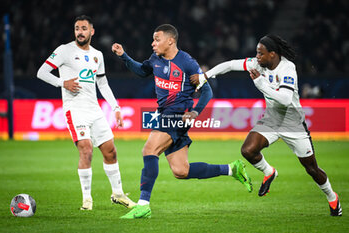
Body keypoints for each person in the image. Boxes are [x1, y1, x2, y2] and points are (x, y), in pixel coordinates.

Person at [112, 24, 253, 219]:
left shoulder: (187, 63)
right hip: (166, 115)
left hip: (178, 115)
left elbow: (207, 91)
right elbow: (142, 71)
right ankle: (231, 169)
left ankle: (143, 204)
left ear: (170, 40)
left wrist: (195, 112)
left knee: (149, 150)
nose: (153, 43)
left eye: (157, 39)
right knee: (181, 170)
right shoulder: (155, 59)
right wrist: (124, 56)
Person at [197, 34, 342, 216]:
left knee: (311, 169)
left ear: (272, 54)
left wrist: (260, 83)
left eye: (261, 54)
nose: (257, 57)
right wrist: (206, 75)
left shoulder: (287, 68)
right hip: (272, 119)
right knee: (248, 150)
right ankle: (269, 171)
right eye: (257, 53)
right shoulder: (259, 63)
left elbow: (285, 99)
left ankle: (332, 197)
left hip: (293, 124)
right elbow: (231, 64)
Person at [37, 15, 135, 210]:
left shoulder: (97, 54)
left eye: (83, 28)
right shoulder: (64, 50)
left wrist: (115, 107)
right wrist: (62, 82)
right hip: (75, 109)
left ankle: (118, 194)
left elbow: (103, 83)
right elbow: (42, 72)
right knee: (86, 149)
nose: (79, 32)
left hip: (94, 109)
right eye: (76, 28)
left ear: (92, 31)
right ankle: (87, 201)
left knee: (111, 151)